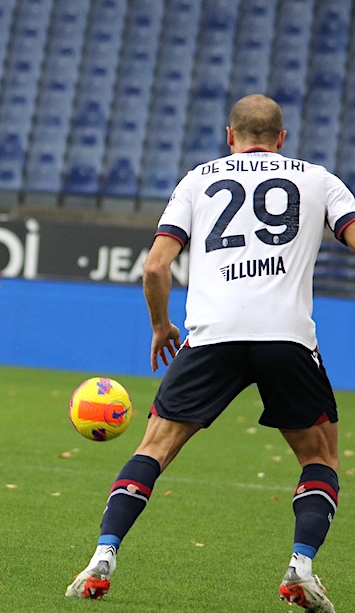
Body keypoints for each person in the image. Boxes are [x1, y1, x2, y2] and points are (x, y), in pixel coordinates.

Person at [66, 94, 353, 612]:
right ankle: (300, 568)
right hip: (286, 336)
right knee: (320, 457)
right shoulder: (319, 180)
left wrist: (160, 326)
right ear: (281, 139)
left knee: (153, 449)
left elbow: (155, 267)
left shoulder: (198, 180)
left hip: (211, 336)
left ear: (230, 136)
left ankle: (103, 556)